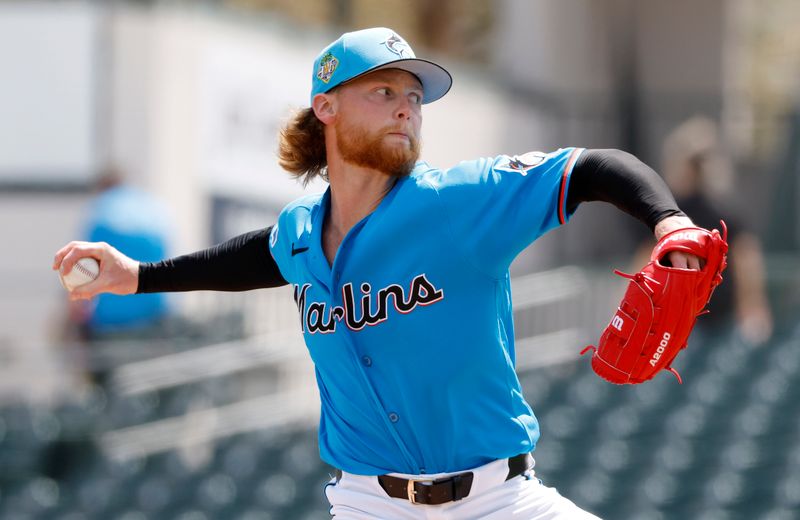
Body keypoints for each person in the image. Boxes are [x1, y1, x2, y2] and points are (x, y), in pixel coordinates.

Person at [54, 27, 702, 519]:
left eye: (415, 97)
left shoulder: (457, 201)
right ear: (327, 108)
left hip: (499, 501)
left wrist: (667, 220)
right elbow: (256, 256)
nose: (406, 108)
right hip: (370, 504)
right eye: (384, 90)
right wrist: (136, 276)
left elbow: (589, 167)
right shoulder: (301, 230)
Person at [632, 116, 772, 345]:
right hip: (710, 316)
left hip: (684, 320)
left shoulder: (669, 212)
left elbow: (644, 263)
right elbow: (748, 263)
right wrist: (753, 308)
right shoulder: (725, 210)